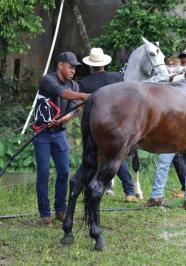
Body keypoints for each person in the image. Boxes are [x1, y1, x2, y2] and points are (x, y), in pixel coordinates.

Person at [33, 51, 90, 227]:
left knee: (64, 173)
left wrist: (65, 119)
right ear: (60, 65)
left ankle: (60, 209)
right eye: (70, 66)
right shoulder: (47, 80)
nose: (73, 70)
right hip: (41, 134)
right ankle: (44, 215)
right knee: (43, 174)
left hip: (59, 133)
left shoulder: (75, 84)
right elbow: (62, 93)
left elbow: (76, 109)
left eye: (75, 67)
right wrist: (86, 96)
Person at [79, 47, 138, 203]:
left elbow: (84, 108)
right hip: (118, 124)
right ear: (104, 63)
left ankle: (88, 188)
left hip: (96, 124)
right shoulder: (116, 77)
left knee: (91, 155)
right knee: (117, 157)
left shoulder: (84, 83)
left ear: (91, 65)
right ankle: (129, 191)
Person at [144, 48, 186, 210]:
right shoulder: (176, 79)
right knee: (163, 161)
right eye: (183, 63)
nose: (185, 65)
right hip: (173, 129)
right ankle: (156, 196)